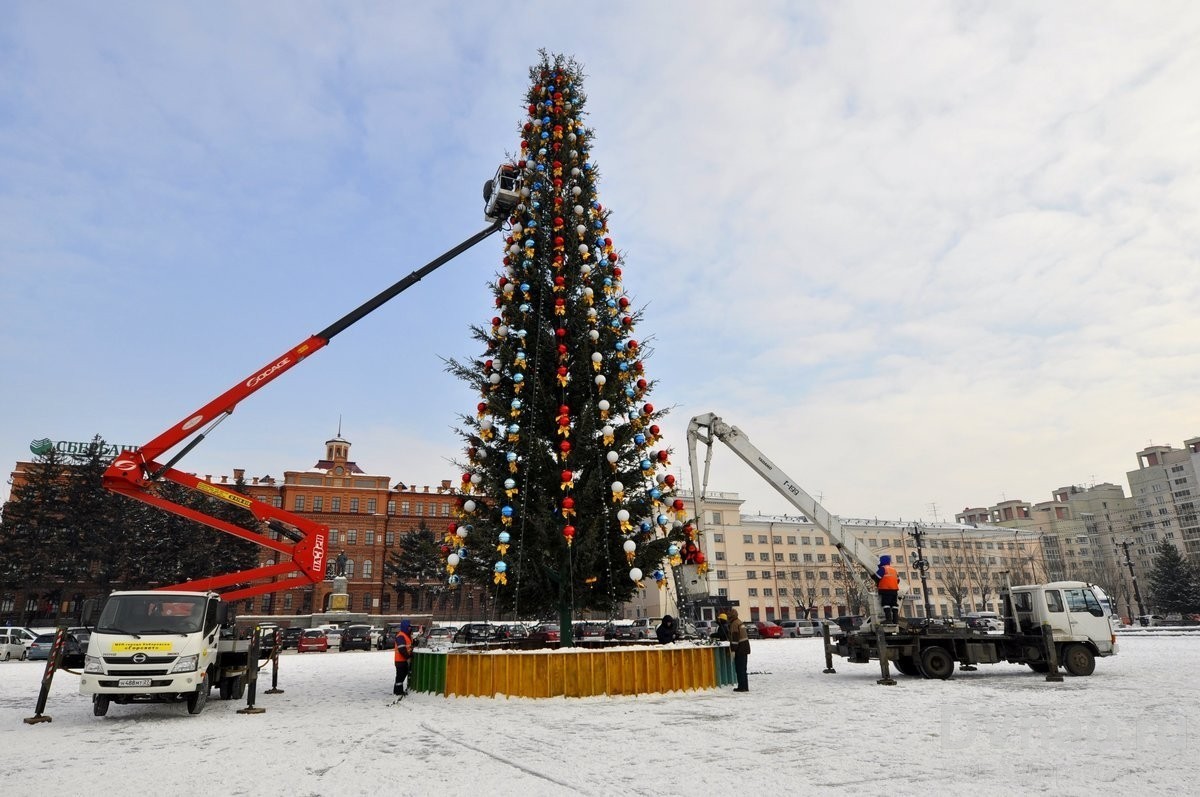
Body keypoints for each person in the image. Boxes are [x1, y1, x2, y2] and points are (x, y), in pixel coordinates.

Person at [727, 609, 750, 691]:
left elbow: (735, 639)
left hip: (740, 649)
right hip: (745, 648)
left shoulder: (734, 624)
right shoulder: (739, 621)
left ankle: (741, 687)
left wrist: (733, 650)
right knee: (744, 669)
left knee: (739, 669)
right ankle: (745, 686)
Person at [876, 554, 900, 624]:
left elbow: (877, 577)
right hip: (894, 590)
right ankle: (896, 620)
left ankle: (888, 620)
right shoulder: (894, 570)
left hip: (885, 589)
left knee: (886, 604)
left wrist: (878, 584)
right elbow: (898, 580)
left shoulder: (883, 568)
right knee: (894, 605)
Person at [393, 619, 414, 697]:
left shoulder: (406, 635)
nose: (410, 628)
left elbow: (408, 647)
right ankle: (398, 692)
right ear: (405, 627)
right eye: (409, 627)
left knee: (401, 676)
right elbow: (402, 649)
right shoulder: (401, 636)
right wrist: (408, 656)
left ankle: (397, 690)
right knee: (400, 677)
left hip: (402, 660)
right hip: (400, 660)